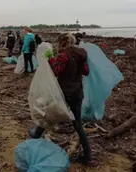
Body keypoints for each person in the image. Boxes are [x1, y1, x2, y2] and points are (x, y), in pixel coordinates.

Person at [29, 33, 92, 163]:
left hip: (64, 93)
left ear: (62, 42)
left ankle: (35, 137)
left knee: (48, 114)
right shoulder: (81, 54)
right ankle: (87, 156)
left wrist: (51, 59)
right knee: (78, 125)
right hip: (78, 92)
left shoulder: (64, 55)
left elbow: (56, 71)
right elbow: (86, 71)